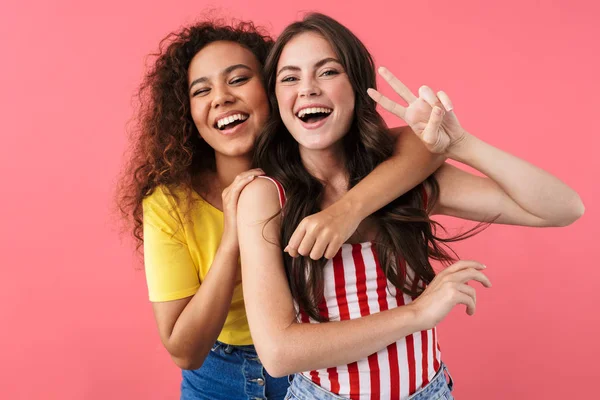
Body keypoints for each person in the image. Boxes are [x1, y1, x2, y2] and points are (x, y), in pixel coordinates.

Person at [237, 13, 584, 400]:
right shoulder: (266, 197)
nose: (307, 89)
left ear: (357, 86)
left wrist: (462, 145)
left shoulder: (407, 179)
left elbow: (563, 208)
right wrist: (417, 315)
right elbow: (279, 354)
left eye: (328, 72)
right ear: (276, 98)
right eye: (290, 78)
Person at [117, 18, 443, 400]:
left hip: (318, 359)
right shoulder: (170, 203)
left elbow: (426, 144)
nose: (220, 97)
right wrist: (233, 239)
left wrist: (348, 209)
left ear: (273, 89)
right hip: (220, 373)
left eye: (238, 79)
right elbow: (185, 350)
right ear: (186, 113)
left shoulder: (317, 163)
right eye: (201, 90)